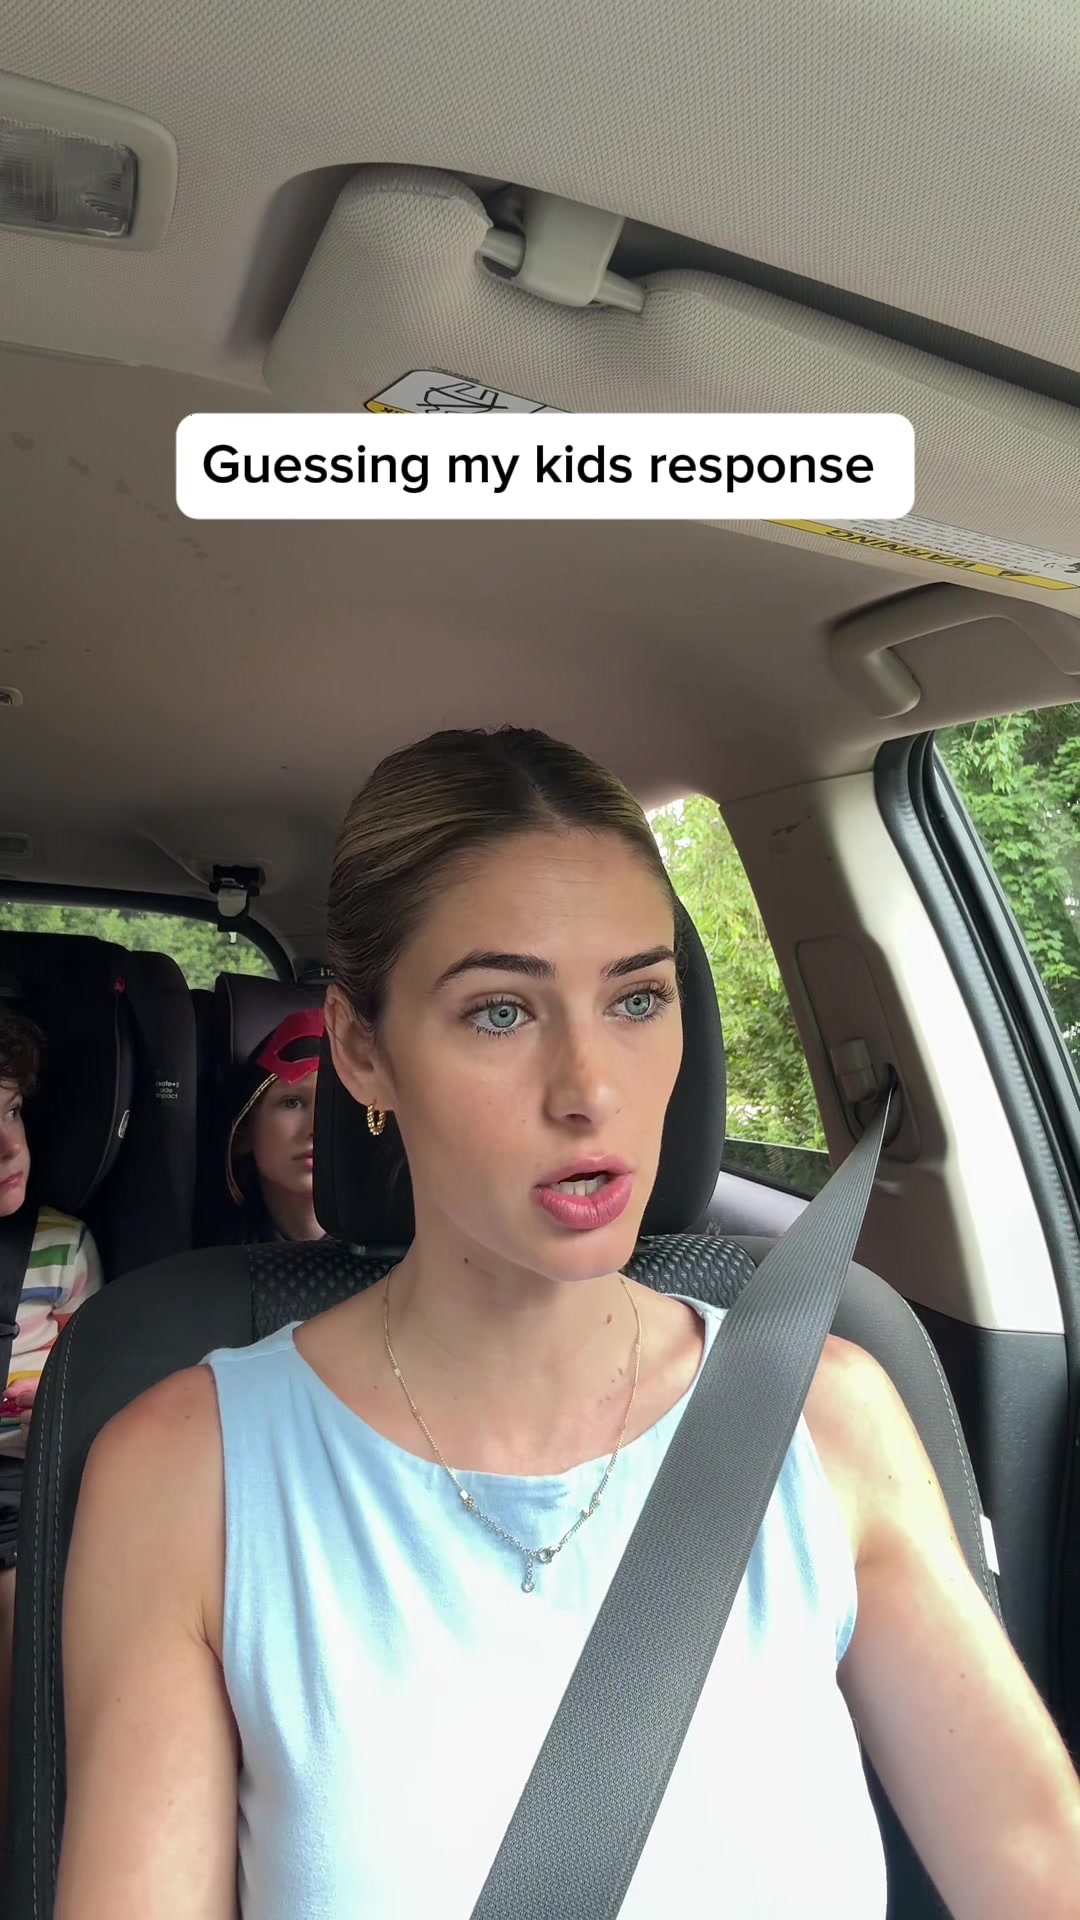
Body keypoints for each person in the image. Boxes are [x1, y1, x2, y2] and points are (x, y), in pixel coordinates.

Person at [57, 728, 1080, 1918]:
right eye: (501, 1012)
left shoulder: (825, 1417)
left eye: (638, 998)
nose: (592, 1089)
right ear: (362, 1051)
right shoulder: (186, 1478)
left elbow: (1036, 1860)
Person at [0, 1007, 102, 1840]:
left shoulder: (60, 1249)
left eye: (11, 1111)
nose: (9, 1147)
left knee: (18, 1602)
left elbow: (78, 1407)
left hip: (19, 1498)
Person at [219, 1008, 326, 1244]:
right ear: (246, 1132)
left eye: (335, 1106)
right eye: (293, 1102)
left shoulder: (404, 1251)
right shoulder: (205, 1257)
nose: (316, 1128)